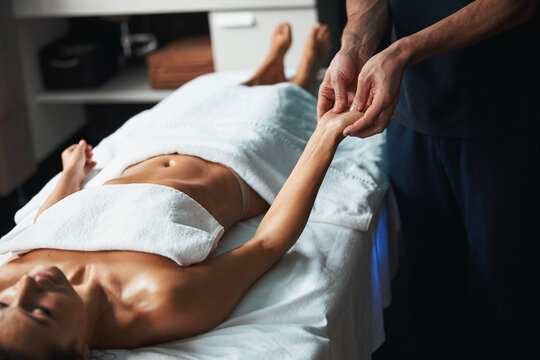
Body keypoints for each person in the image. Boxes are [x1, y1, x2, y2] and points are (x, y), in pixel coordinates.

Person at [0, 23, 349, 359]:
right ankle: (303, 76)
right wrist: (325, 137)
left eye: (5, 303)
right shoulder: (161, 301)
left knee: (221, 94)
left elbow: (48, 225)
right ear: (80, 352)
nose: (29, 285)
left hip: (147, 151)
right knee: (279, 102)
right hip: (235, 157)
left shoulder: (7, 280)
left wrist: (70, 175)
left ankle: (266, 69)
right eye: (41, 313)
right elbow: (266, 245)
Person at [318, 0, 539, 358]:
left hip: (502, 117)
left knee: (508, 296)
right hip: (412, 118)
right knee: (430, 290)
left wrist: (402, 50)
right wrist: (353, 47)